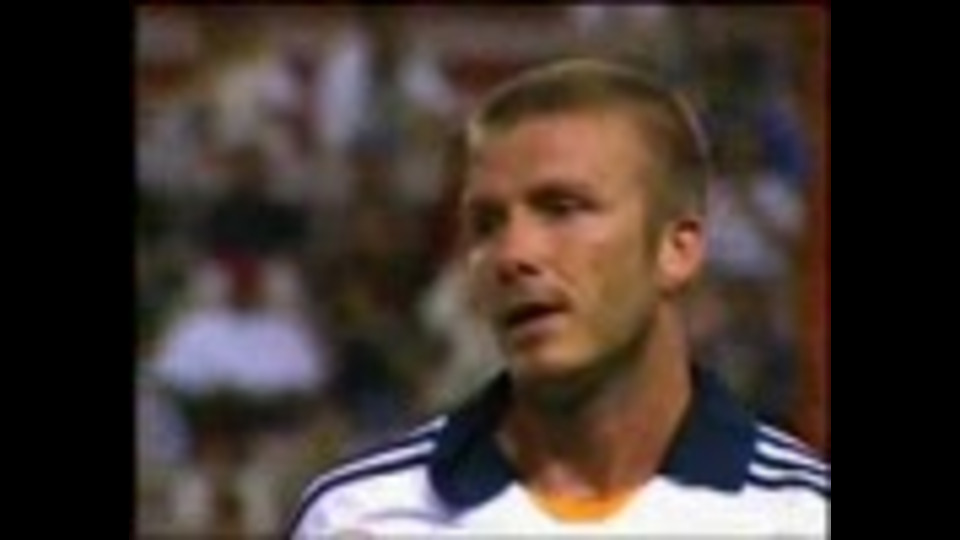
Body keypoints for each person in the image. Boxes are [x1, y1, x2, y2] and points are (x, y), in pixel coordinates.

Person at [285, 57, 828, 537]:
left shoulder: (800, 519)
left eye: (562, 208)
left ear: (676, 249)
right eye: (486, 224)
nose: (513, 254)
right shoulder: (361, 518)